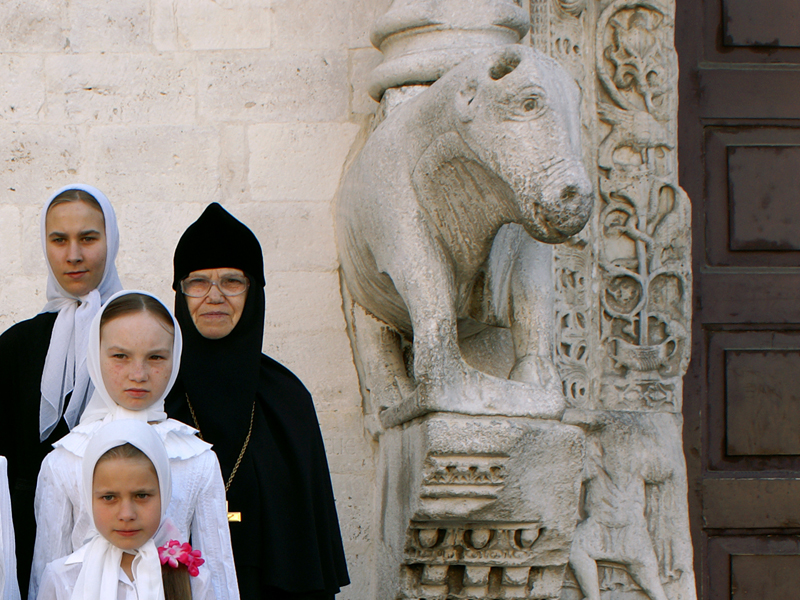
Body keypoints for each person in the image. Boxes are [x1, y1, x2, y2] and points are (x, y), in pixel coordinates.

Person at [165, 203, 350, 599]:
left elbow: (306, 543)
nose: (214, 296)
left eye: (232, 281)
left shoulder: (288, 399)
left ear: (255, 291)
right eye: (198, 282)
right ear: (180, 293)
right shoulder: (157, 395)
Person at [32, 291, 238, 600]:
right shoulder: (65, 460)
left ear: (176, 356)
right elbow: (47, 572)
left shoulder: (197, 459)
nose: (138, 374)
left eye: (155, 357)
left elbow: (219, 577)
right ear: (94, 355)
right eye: (120, 356)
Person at [0, 184, 122, 596]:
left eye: (88, 238)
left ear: (111, 239)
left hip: (122, 538)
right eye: (59, 239)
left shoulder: (136, 338)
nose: (73, 255)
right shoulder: (13, 347)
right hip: (28, 540)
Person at [37, 419, 214, 600]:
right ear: (89, 498)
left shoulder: (195, 581)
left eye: (141, 495)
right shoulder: (62, 578)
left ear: (165, 493)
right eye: (109, 497)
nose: (127, 514)